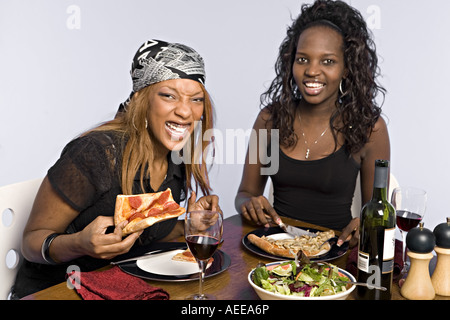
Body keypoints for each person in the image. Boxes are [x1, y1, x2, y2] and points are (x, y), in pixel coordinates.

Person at [13, 39, 220, 298]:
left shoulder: (177, 158)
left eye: (196, 100)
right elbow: (31, 242)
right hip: (56, 290)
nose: (185, 111)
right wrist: (79, 244)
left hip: (122, 287)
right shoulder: (96, 154)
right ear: (141, 99)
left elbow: (147, 233)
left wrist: (191, 226)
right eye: (169, 95)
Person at [235, 0, 390, 248]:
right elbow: (244, 193)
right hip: (275, 250)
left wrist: (364, 226)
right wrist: (249, 203)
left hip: (333, 255)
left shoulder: (370, 128)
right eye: (303, 59)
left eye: (327, 61)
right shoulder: (269, 119)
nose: (312, 71)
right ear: (291, 62)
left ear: (347, 69)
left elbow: (376, 215)